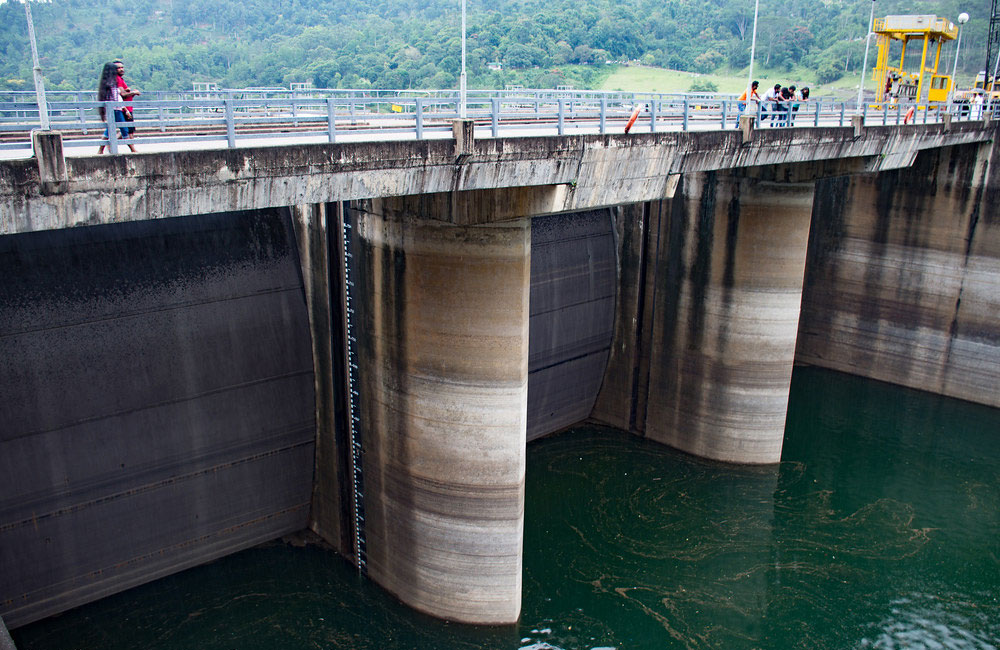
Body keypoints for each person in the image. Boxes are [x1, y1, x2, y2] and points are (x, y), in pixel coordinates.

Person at [96, 62, 136, 154]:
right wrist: (125, 109)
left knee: (110, 130)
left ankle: (101, 149)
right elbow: (116, 99)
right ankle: (132, 149)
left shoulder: (107, 82)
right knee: (124, 129)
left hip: (115, 109)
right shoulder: (112, 83)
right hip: (116, 109)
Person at [113, 59, 141, 137]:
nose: (121, 69)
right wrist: (134, 92)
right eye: (118, 68)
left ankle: (109, 146)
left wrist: (130, 93)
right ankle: (133, 149)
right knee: (129, 131)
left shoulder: (120, 79)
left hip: (126, 107)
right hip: (125, 107)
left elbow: (122, 93)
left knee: (126, 130)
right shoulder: (117, 79)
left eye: (122, 67)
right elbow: (122, 94)